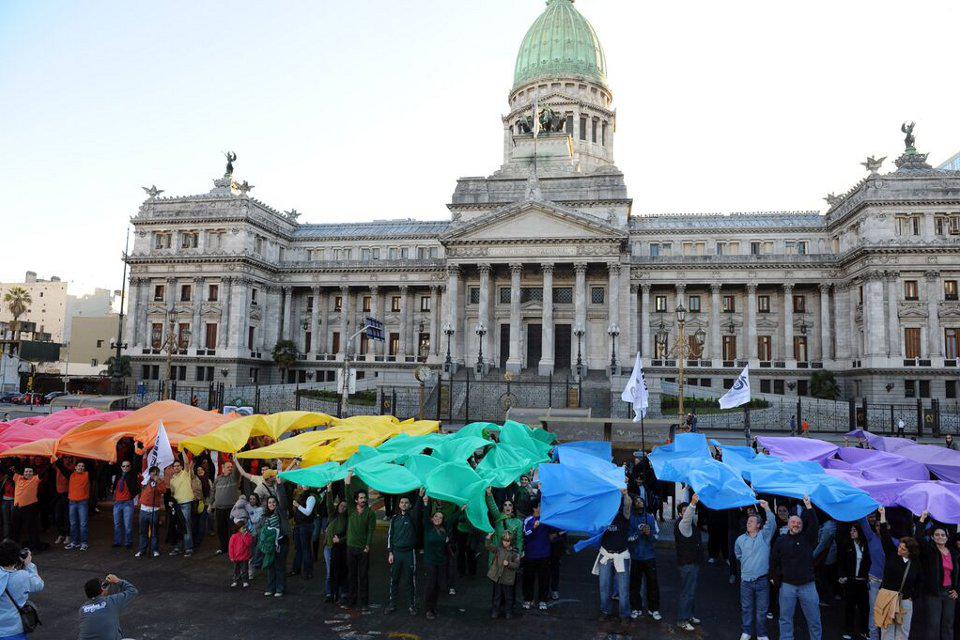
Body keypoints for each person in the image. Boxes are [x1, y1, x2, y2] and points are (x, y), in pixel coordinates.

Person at [771, 495, 821, 640]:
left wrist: (809, 507)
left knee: (814, 620)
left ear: (802, 526)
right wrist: (775, 578)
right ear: (788, 524)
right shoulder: (780, 541)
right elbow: (774, 561)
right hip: (787, 587)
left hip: (808, 586)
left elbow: (815, 525)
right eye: (793, 522)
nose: (796, 524)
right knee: (785, 620)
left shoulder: (808, 539)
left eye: (798, 523)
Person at [875, 507, 919, 640]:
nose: (900, 549)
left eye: (903, 549)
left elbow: (919, 581)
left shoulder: (915, 563)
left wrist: (912, 596)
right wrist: (882, 515)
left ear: (910, 552)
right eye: (900, 546)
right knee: (886, 629)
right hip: (887, 596)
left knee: (903, 632)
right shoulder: (891, 554)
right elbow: (885, 535)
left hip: (905, 601)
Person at [735, 499, 775, 640]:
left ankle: (762, 634)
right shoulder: (740, 539)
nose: (748, 523)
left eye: (751, 521)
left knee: (761, 611)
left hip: (762, 580)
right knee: (746, 608)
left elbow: (772, 524)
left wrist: (767, 508)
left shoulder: (764, 536)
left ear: (758, 525)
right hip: (745, 581)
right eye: (748, 521)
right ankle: (746, 632)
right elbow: (738, 554)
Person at [915, 512, 958, 640]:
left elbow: (958, 574)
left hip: (950, 593)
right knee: (933, 626)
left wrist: (957, 590)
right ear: (933, 537)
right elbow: (918, 537)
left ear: (947, 537)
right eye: (937, 535)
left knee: (948, 625)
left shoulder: (954, 553)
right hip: (934, 593)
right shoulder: (930, 551)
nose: (940, 537)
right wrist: (922, 519)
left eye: (942, 535)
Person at [594, 489, 632, 627]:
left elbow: (628, 504)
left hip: (621, 555)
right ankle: (605, 611)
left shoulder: (624, 516)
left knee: (623, 588)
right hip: (606, 554)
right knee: (604, 586)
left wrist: (625, 493)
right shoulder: (603, 517)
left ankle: (624, 615)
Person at [0, 540, 43, 640]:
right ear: (17, 557)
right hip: (15, 629)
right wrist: (29, 564)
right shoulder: (23, 576)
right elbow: (39, 585)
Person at [627, 494, 661, 620]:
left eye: (641, 501)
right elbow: (628, 538)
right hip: (635, 557)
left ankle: (654, 609)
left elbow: (657, 536)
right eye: (636, 502)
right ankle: (636, 608)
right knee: (635, 585)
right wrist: (638, 533)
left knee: (652, 584)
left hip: (649, 557)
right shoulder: (630, 519)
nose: (639, 503)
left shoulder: (651, 518)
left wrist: (650, 534)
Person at [387, 495, 420, 615]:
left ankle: (411, 605)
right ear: (399, 505)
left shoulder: (413, 517)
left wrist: (420, 496)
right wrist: (390, 552)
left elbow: (418, 507)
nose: (404, 504)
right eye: (402, 502)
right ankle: (392, 604)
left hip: (409, 553)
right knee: (394, 579)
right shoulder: (394, 518)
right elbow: (390, 535)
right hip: (396, 553)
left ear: (410, 505)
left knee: (410, 580)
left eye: (406, 502)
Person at [78, 574, 138, 640]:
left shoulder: (82, 609)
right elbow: (133, 591)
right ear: (102, 589)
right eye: (104, 586)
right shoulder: (111, 601)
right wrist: (117, 581)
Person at [838, 522, 871, 640]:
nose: (851, 532)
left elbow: (868, 562)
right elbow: (841, 562)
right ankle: (848, 630)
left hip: (862, 581)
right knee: (849, 606)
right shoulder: (847, 544)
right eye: (851, 530)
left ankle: (864, 630)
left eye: (854, 530)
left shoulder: (865, 545)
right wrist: (841, 575)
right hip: (851, 580)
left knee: (864, 607)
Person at [522, 500, 556, 611]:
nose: (542, 508)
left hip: (544, 555)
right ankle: (528, 599)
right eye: (540, 506)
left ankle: (543, 600)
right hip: (530, 555)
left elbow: (555, 530)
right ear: (534, 508)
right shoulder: (528, 520)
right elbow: (526, 535)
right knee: (528, 579)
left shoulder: (546, 520)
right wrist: (534, 528)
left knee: (544, 579)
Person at [675, 494, 702, 632]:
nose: (687, 513)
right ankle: (682, 620)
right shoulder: (683, 524)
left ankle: (689, 615)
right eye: (684, 511)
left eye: (688, 510)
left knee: (691, 592)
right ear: (680, 514)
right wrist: (692, 503)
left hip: (693, 563)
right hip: (687, 564)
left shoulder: (690, 524)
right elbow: (688, 516)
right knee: (687, 592)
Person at [346, 488, 376, 608]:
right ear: (356, 500)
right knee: (351, 576)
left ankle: (364, 602)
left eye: (365, 498)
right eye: (361, 498)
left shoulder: (370, 513)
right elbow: (347, 494)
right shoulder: (351, 509)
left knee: (363, 576)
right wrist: (347, 482)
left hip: (363, 549)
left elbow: (370, 531)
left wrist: (367, 545)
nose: (363, 500)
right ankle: (351, 601)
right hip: (350, 548)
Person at [168, 453, 199, 557]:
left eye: (178, 466)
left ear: (181, 467)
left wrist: (182, 451)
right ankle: (178, 548)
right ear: (172, 468)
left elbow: (186, 462)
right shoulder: (172, 479)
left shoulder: (185, 473)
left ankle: (189, 548)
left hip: (186, 503)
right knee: (178, 527)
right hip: (177, 505)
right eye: (174, 466)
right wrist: (171, 501)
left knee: (186, 526)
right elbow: (172, 493)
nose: (176, 467)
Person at [57, 458, 91, 551]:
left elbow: (91, 463)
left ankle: (84, 543)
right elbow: (61, 467)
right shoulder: (71, 475)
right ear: (75, 467)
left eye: (82, 466)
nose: (80, 467)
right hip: (72, 502)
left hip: (82, 503)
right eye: (79, 466)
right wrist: (56, 458)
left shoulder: (88, 475)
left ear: (84, 468)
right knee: (73, 523)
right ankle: (74, 542)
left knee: (83, 524)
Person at [486, 530, 521, 619]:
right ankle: (495, 611)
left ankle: (508, 611)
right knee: (497, 596)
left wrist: (508, 564)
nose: (506, 543)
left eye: (508, 541)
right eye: (504, 540)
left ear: (511, 541)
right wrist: (488, 538)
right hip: (498, 577)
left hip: (508, 578)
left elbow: (517, 565)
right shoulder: (499, 549)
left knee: (508, 597)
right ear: (502, 540)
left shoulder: (515, 552)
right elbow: (489, 546)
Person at [422, 508, 449, 620]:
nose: (438, 518)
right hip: (430, 561)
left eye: (440, 517)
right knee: (431, 585)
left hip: (441, 562)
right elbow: (425, 514)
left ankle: (434, 607)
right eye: (436, 516)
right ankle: (428, 609)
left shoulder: (444, 530)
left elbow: (452, 519)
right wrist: (425, 503)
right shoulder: (428, 528)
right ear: (432, 519)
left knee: (438, 586)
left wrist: (462, 509)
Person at [258, 496, 285, 597]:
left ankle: (280, 588)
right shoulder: (265, 516)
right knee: (270, 566)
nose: (271, 504)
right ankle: (270, 588)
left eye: (274, 502)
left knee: (279, 566)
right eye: (269, 502)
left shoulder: (280, 513)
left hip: (280, 544)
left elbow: (283, 502)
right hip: (269, 545)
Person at [212, 460, 240, 556]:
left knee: (232, 530)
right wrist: (211, 504)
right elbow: (213, 491)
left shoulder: (234, 477)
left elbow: (237, 469)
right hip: (219, 508)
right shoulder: (218, 479)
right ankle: (223, 548)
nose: (230, 468)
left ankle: (233, 549)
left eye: (231, 467)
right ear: (223, 469)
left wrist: (236, 459)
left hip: (231, 509)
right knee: (221, 529)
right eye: (228, 467)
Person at [290, 484, 319, 580]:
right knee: (299, 548)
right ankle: (296, 569)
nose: (302, 486)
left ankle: (308, 571)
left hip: (306, 525)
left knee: (306, 549)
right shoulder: (300, 496)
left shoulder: (311, 497)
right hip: (298, 525)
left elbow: (308, 512)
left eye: (304, 484)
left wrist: (297, 505)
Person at [136, 465, 165, 558]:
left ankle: (155, 549)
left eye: (156, 473)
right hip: (144, 509)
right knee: (143, 531)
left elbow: (163, 490)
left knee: (154, 532)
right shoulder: (145, 481)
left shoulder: (160, 482)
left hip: (154, 510)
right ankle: (142, 549)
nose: (154, 474)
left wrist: (158, 482)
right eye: (152, 472)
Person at [10, 465, 41, 551]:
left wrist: (52, 461)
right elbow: (7, 471)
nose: (28, 473)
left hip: (29, 508)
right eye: (26, 471)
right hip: (17, 508)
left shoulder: (35, 479)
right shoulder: (18, 477)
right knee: (15, 528)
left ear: (33, 473)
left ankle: (34, 547)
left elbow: (44, 472)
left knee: (31, 528)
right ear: (23, 473)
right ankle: (14, 548)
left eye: (30, 471)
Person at [324, 497, 349, 604]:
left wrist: (340, 540)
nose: (342, 508)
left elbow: (349, 534)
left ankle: (343, 593)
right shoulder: (332, 515)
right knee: (330, 572)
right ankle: (330, 593)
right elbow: (329, 503)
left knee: (342, 570)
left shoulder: (347, 519)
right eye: (341, 505)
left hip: (340, 548)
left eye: (345, 506)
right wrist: (329, 489)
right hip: (328, 547)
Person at [110, 460, 138, 550]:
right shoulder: (118, 475)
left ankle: (128, 542)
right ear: (121, 467)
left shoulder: (133, 476)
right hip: (117, 503)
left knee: (127, 524)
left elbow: (137, 488)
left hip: (127, 503)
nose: (125, 468)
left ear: (130, 467)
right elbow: (114, 487)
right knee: (117, 524)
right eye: (123, 466)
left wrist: (131, 496)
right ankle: (117, 542)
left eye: (127, 466)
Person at [228, 520, 252, 589]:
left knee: (244, 570)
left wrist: (244, 536)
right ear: (238, 529)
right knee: (236, 570)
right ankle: (235, 580)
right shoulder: (234, 536)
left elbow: (248, 544)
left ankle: (245, 581)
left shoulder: (248, 536)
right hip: (236, 557)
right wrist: (231, 556)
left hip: (244, 557)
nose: (244, 529)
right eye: (242, 528)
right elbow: (231, 547)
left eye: (245, 528)